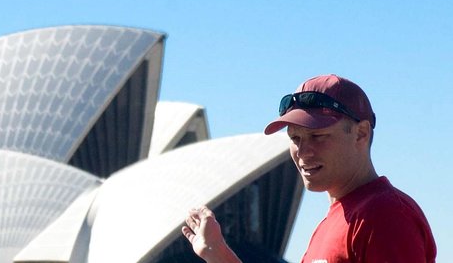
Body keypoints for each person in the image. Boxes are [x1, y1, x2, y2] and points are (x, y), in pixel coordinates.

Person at [182, 74, 437, 263]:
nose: (303, 152)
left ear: (360, 133)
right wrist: (219, 254)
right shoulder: (333, 222)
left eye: (318, 136)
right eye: (295, 138)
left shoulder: (384, 215)